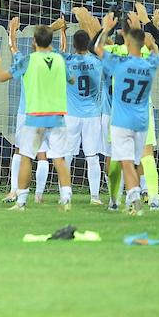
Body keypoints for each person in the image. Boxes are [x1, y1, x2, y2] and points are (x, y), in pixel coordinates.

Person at [0, 17, 73, 212]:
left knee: (26, 156)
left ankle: (21, 201)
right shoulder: (60, 60)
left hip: (35, 116)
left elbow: (3, 77)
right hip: (57, 116)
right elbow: (71, 80)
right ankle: (66, 198)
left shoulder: (28, 60)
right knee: (59, 158)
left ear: (34, 42)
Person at [96, 13, 159, 216]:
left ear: (126, 40)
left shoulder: (119, 63)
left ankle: (131, 197)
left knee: (122, 161)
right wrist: (151, 40)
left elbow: (97, 49)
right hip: (142, 121)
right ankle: (141, 196)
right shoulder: (151, 64)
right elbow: (156, 49)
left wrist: (105, 28)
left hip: (121, 119)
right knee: (137, 160)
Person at [57, 26, 105, 204]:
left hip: (71, 115)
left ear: (74, 45)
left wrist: (62, 31)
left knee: (67, 155)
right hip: (92, 115)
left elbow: (61, 51)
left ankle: (65, 195)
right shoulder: (98, 62)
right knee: (92, 157)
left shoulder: (67, 60)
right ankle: (95, 197)